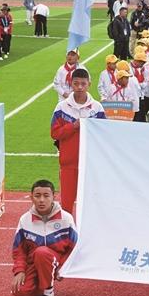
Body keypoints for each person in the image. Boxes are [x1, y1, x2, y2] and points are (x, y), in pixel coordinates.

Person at [11, 179, 77, 296]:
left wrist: (63, 267)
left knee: (42, 253)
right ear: (31, 197)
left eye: (46, 196)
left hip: (55, 260)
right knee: (19, 291)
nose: (41, 200)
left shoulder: (66, 218)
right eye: (37, 195)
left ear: (54, 196)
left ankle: (48, 294)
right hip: (34, 262)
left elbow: (74, 247)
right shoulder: (25, 219)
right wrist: (19, 271)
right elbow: (19, 250)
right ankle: (42, 286)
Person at [50, 69, 106, 214]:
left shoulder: (97, 108)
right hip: (68, 163)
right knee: (67, 203)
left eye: (83, 84)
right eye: (76, 83)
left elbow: (103, 135)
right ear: (71, 84)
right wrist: (73, 126)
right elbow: (54, 133)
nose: (80, 87)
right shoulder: (62, 107)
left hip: (90, 163)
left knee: (90, 202)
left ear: (89, 84)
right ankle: (67, 227)